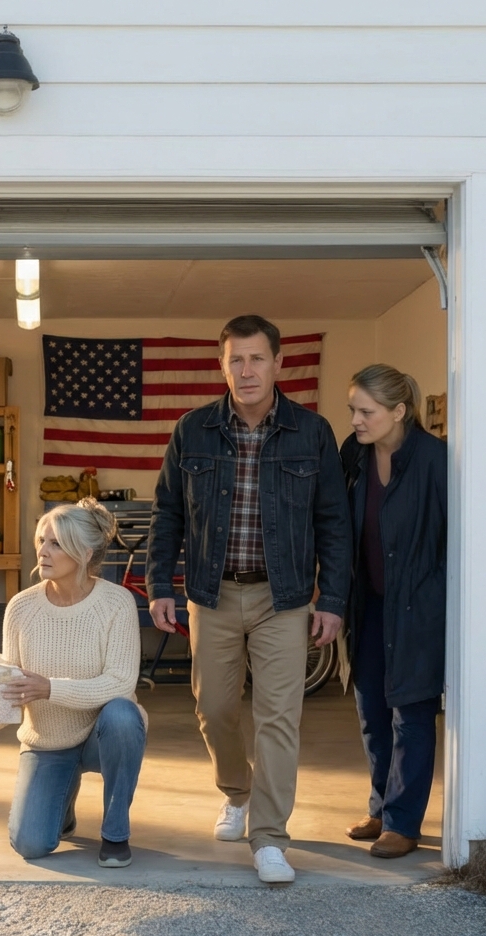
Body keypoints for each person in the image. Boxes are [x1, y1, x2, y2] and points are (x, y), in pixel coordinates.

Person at [146, 314, 351, 884]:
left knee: (278, 717)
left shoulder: (312, 433)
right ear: (223, 365)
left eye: (257, 358)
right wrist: (160, 585)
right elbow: (167, 514)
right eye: (236, 359)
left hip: (283, 597)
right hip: (211, 595)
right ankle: (236, 793)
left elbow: (334, 523)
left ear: (279, 363)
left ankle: (269, 837)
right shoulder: (193, 430)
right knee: (214, 709)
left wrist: (331, 599)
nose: (247, 370)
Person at [0, 499, 146, 868]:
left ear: (85, 552)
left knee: (125, 715)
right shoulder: (20, 607)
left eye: (55, 544)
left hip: (103, 734)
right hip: (47, 740)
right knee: (30, 844)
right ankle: (61, 799)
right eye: (41, 540)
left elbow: (121, 682)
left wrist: (50, 688)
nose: (42, 551)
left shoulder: (117, 603)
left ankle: (115, 834)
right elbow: (14, 684)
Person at [340, 365, 447, 858]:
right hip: (370, 605)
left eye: (367, 412)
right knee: (372, 713)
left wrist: (434, 597)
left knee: (411, 712)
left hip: (417, 607)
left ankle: (404, 823)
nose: (357, 421)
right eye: (353, 411)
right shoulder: (354, 457)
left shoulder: (433, 460)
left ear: (399, 411)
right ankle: (382, 807)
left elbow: (451, 540)